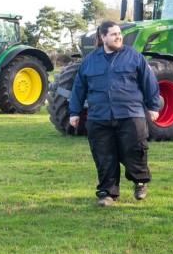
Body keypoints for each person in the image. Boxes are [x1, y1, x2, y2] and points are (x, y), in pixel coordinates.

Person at [69, 21, 160, 207]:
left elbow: (149, 81)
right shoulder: (90, 61)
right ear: (103, 37)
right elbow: (79, 87)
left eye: (119, 33)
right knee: (104, 155)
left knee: (134, 150)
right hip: (99, 116)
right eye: (114, 34)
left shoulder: (134, 56)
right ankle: (107, 193)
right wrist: (74, 112)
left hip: (130, 114)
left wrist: (153, 107)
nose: (119, 37)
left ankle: (140, 182)